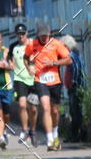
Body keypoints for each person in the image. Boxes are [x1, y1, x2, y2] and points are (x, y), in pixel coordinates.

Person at [24, 23, 71, 151]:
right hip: (40, 80)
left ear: (49, 34)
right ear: (38, 35)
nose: (44, 38)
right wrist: (29, 69)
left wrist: (54, 62)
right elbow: (25, 58)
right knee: (45, 108)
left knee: (55, 111)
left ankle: (55, 133)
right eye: (42, 36)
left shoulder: (56, 44)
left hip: (55, 81)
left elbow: (69, 60)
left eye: (46, 36)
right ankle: (50, 139)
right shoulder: (32, 44)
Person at [8, 23, 38, 145]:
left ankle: (33, 131)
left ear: (27, 33)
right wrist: (10, 64)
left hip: (33, 79)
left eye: (22, 33)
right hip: (20, 79)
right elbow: (9, 58)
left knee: (33, 108)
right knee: (22, 105)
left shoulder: (33, 45)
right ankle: (25, 130)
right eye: (18, 34)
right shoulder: (13, 47)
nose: (21, 36)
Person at [62, 35, 84, 143]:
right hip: (73, 87)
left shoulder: (72, 55)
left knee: (75, 111)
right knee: (74, 111)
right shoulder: (74, 54)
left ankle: (76, 135)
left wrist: (73, 82)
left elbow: (76, 68)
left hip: (75, 87)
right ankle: (74, 135)